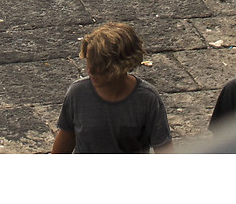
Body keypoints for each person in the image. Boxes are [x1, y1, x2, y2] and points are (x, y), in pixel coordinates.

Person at [51, 22, 171, 153]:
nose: (90, 70)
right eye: (89, 61)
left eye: (99, 65)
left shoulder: (147, 99)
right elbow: (64, 143)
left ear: (120, 66)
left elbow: (164, 150)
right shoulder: (78, 93)